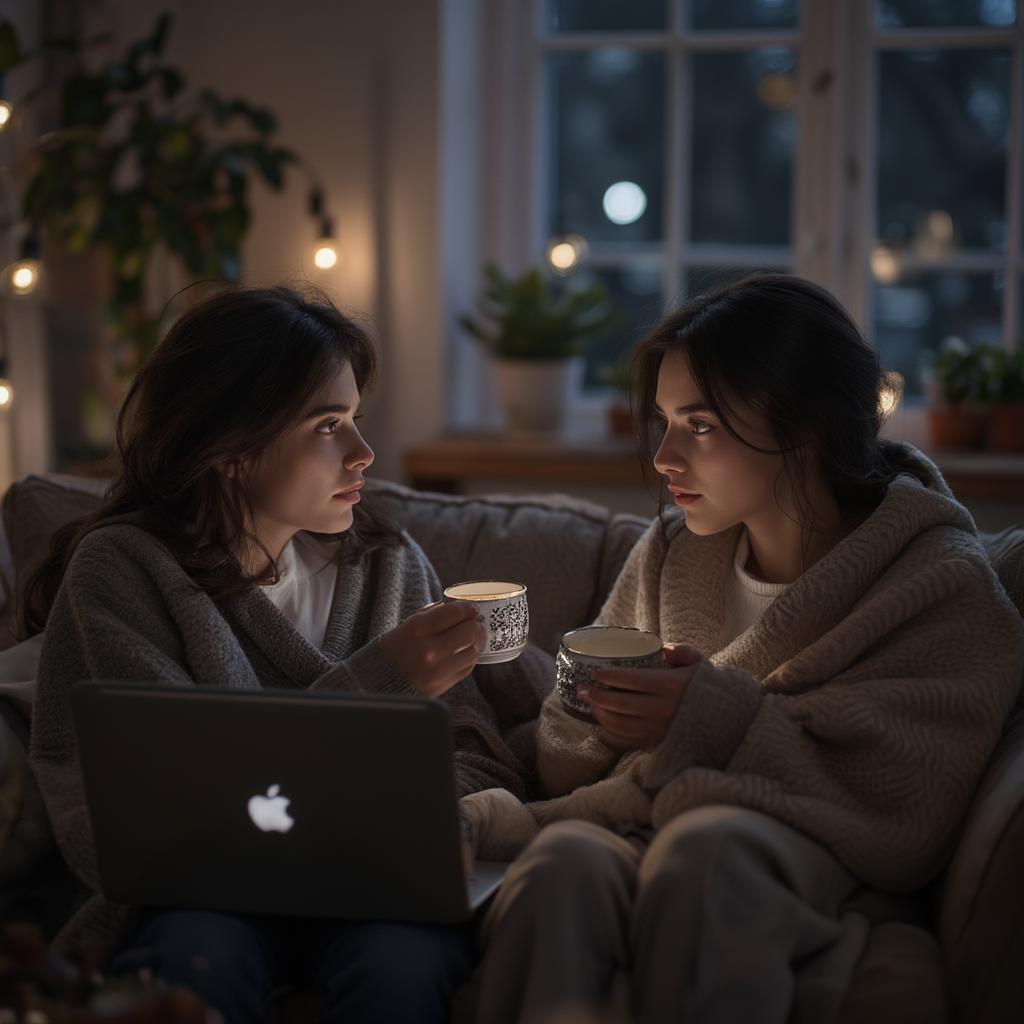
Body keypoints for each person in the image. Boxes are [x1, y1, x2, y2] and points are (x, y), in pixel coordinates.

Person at [463, 273, 1024, 1024]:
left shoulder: (937, 580)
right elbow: (565, 758)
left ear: (803, 426)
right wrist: (597, 710)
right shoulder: (670, 552)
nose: (664, 458)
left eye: (699, 425)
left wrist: (711, 716)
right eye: (662, 422)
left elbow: (909, 800)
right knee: (563, 863)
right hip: (633, 822)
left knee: (708, 851)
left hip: (793, 852)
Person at [27, 286, 538, 1024]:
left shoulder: (389, 566)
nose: (364, 453)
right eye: (329, 425)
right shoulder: (126, 571)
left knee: (400, 966)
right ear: (231, 447)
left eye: (355, 419)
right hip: (204, 898)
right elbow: (144, 810)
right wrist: (385, 683)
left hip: (377, 890)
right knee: (193, 960)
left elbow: (477, 754)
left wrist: (444, 824)